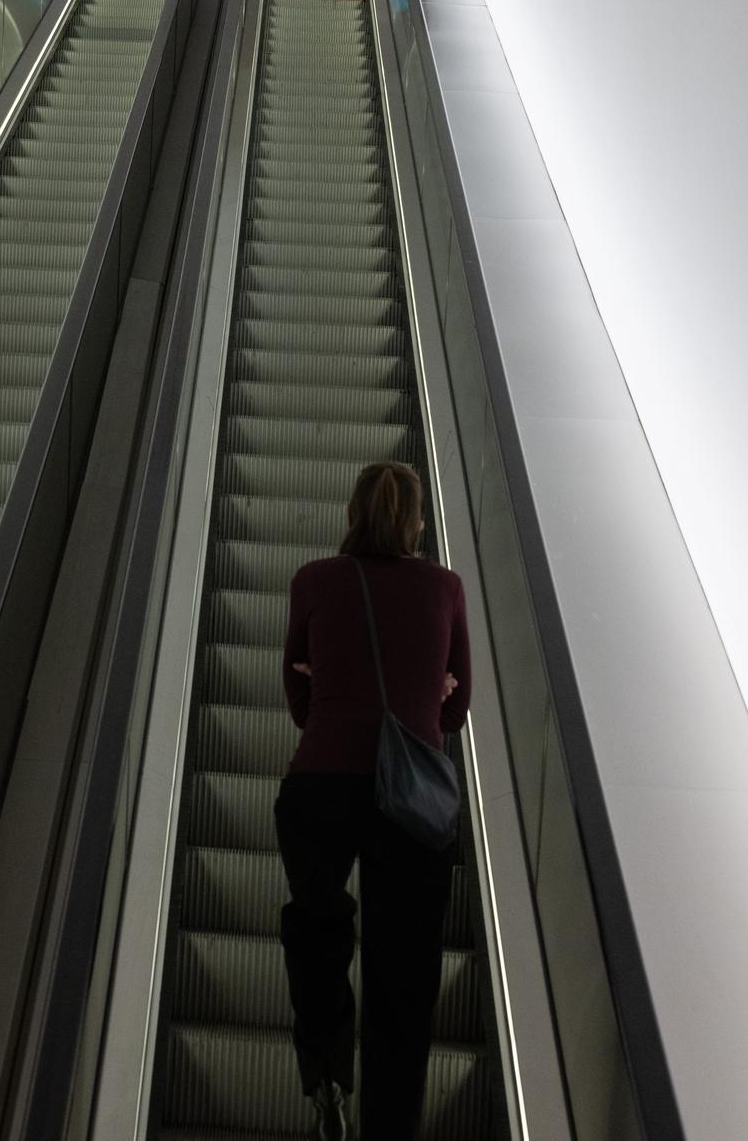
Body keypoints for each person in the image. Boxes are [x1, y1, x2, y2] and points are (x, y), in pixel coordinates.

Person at [274, 460, 470, 1141]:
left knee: (317, 932)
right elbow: (456, 711)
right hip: (410, 800)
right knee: (404, 975)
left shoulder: (314, 581)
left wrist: (336, 690)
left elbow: (301, 702)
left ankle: (327, 1074)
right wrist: (428, 694)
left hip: (319, 787)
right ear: (416, 523)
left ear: (352, 514)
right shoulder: (445, 588)